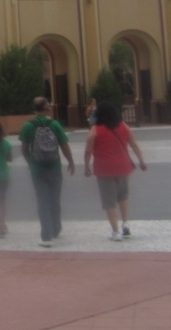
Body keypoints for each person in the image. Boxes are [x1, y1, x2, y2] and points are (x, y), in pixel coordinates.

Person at [85, 102, 147, 241]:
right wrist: (141, 161)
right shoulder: (124, 126)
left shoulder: (95, 129)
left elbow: (88, 150)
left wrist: (86, 166)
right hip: (123, 167)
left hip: (104, 168)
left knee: (109, 201)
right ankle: (125, 223)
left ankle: (115, 231)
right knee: (123, 196)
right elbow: (134, 145)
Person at [19, 97, 75, 247]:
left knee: (42, 201)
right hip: (55, 167)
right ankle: (56, 228)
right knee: (55, 200)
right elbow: (64, 145)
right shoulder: (55, 124)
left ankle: (46, 235)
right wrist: (71, 161)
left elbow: (24, 149)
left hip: (37, 169)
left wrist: (30, 163)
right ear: (45, 108)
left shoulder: (28, 126)